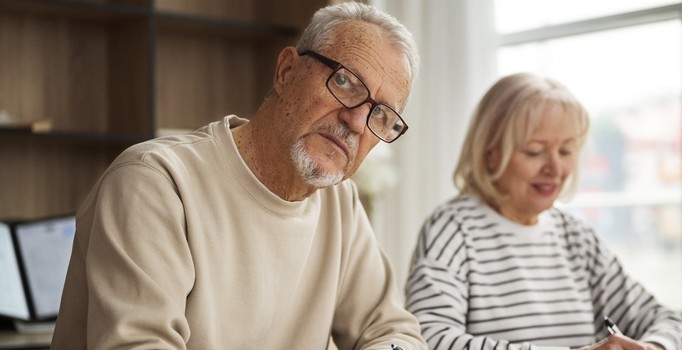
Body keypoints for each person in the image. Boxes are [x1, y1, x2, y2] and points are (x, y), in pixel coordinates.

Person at [51, 2, 426, 349]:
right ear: (287, 71)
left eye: (381, 115)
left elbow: (394, 332)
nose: (358, 122)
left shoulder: (339, 204)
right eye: (345, 82)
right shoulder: (155, 184)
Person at [405, 73, 682, 350]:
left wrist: (651, 346)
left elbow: (673, 324)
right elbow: (429, 339)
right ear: (490, 153)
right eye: (535, 151)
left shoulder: (576, 237)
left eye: (566, 151)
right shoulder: (451, 230)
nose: (556, 169)